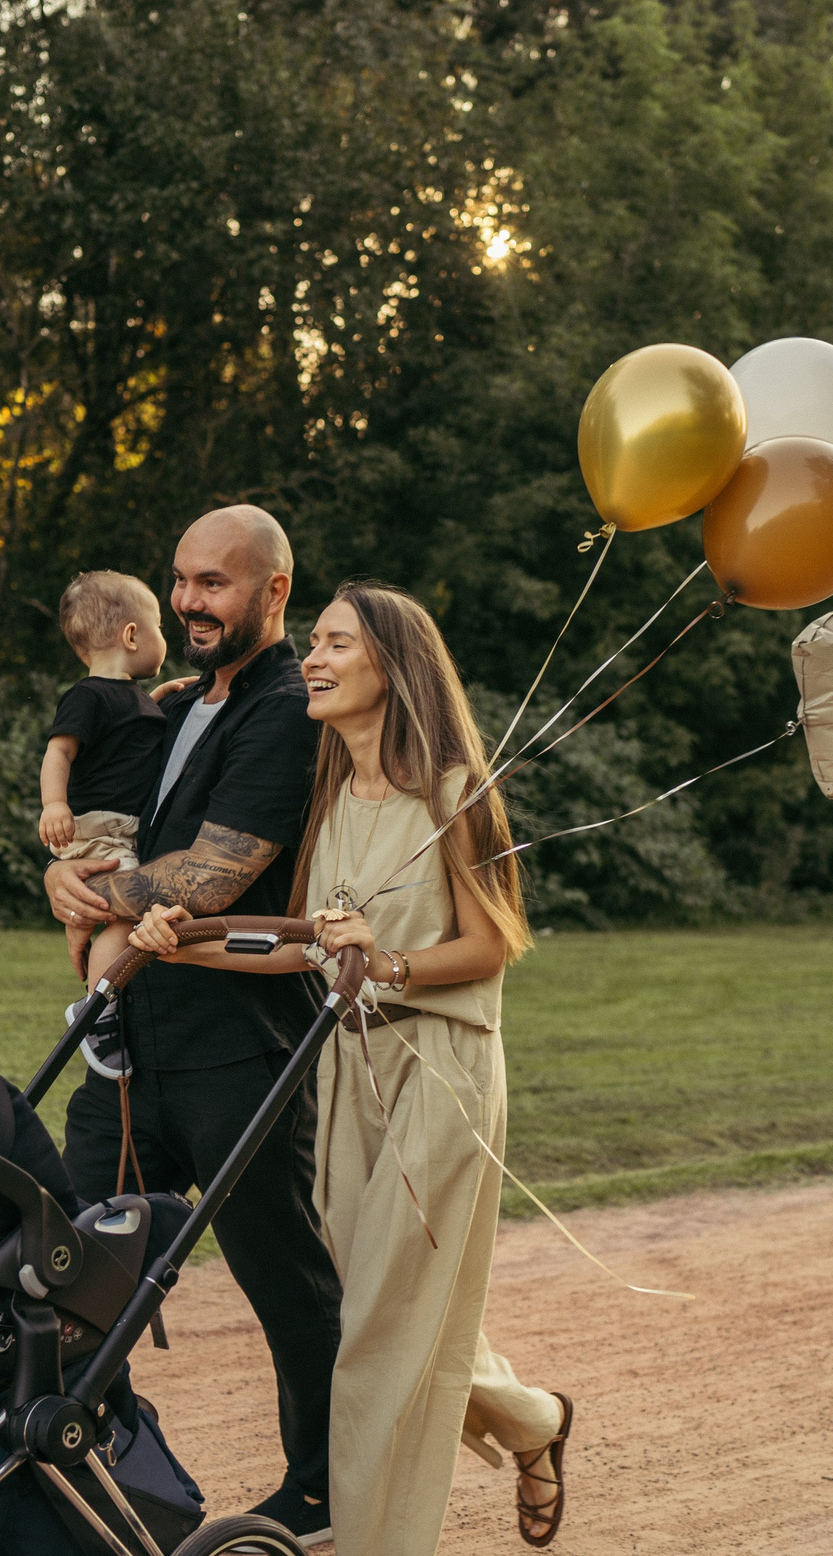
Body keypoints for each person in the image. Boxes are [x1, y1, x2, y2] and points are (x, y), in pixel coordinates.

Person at [125, 579, 577, 1555]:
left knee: (372, 1336)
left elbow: (493, 943)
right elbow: (301, 946)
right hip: (347, 1078)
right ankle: (532, 1418)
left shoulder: (456, 792)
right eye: (315, 643)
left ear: (392, 665)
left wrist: (391, 961)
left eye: (335, 645)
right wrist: (179, 936)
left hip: (440, 1075)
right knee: (382, 1303)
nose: (312, 661)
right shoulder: (332, 793)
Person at [45, 505, 342, 1543]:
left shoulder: (285, 709)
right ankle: (71, 1468)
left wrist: (93, 893)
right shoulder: (177, 702)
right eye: (180, 580)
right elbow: (106, 822)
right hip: (131, 1039)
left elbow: (215, 873)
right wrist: (67, 867)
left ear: (273, 594)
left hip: (238, 1041)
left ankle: (322, 1491)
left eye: (214, 584)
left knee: (282, 1272)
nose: (188, 601)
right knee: (71, 1257)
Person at [37, 569, 170, 989]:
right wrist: (54, 804)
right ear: (132, 636)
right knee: (130, 906)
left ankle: (79, 930)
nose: (164, 637)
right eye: (160, 627)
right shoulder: (87, 695)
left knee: (115, 903)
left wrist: (163, 698)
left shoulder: (133, 698)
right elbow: (59, 750)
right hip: (102, 829)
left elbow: (130, 725)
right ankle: (98, 1011)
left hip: (122, 828)